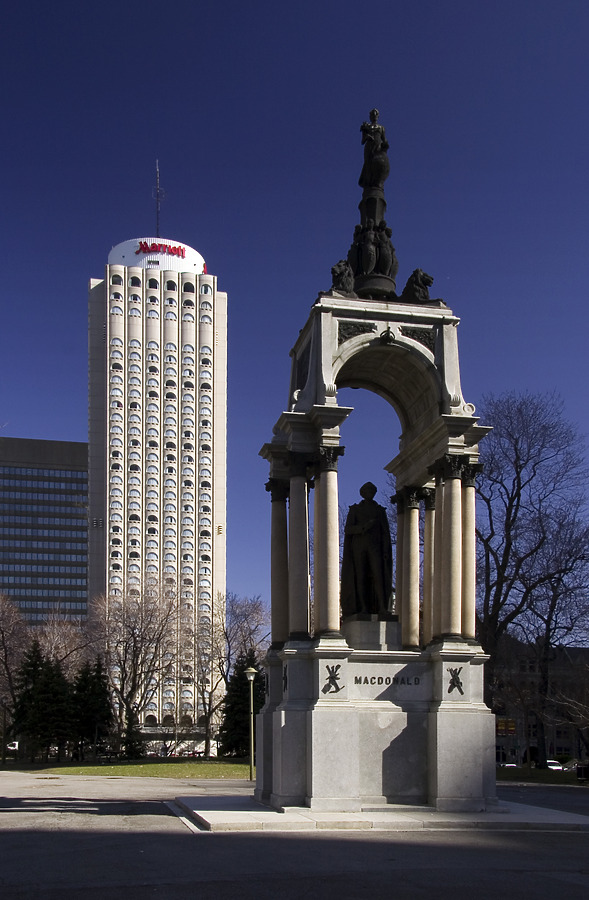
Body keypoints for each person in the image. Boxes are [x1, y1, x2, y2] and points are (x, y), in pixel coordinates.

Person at [340, 482, 393, 617]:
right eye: (367, 491)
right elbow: (348, 529)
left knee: (378, 576)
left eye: (372, 491)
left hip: (376, 548)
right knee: (360, 577)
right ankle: (362, 607)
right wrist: (363, 527)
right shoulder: (355, 510)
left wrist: (386, 551)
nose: (370, 493)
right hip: (359, 547)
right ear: (362, 493)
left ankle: (382, 607)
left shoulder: (380, 511)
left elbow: (385, 533)